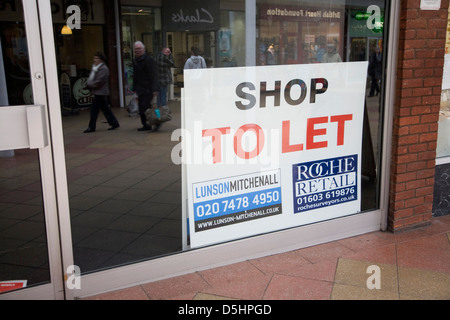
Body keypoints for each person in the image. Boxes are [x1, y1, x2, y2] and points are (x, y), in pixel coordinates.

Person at [83, 52, 120, 133]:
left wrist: (89, 84)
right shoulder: (96, 68)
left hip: (100, 92)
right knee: (105, 109)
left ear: (101, 60)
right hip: (98, 92)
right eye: (94, 58)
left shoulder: (104, 69)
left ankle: (91, 127)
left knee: (94, 110)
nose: (94, 60)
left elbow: (99, 82)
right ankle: (114, 123)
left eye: (96, 58)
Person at [132, 41, 159, 131]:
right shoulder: (135, 60)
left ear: (143, 49)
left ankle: (155, 122)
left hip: (148, 88)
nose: (137, 50)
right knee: (142, 108)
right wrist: (134, 88)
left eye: (139, 48)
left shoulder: (149, 60)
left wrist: (155, 89)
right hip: (140, 88)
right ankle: (146, 125)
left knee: (146, 107)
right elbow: (135, 75)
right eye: (136, 49)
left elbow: (154, 74)